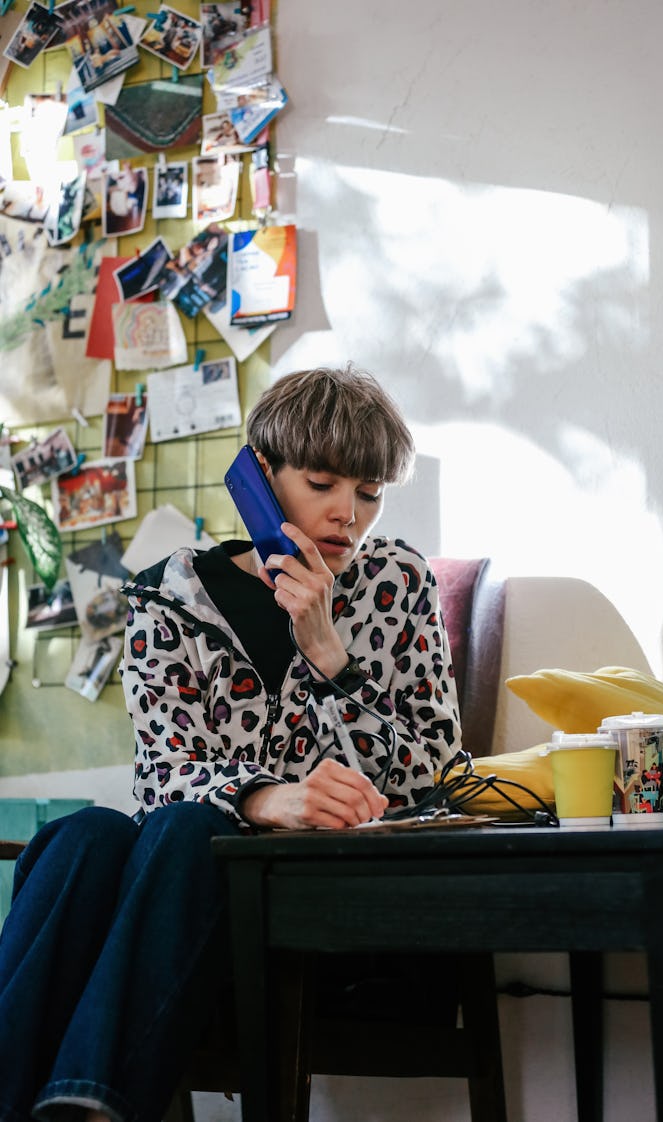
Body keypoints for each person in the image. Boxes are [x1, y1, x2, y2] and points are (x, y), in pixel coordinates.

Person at [0, 365, 461, 1122]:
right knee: (79, 837)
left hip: (328, 912)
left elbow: (437, 775)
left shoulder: (399, 586)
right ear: (259, 474)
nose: (349, 513)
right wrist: (266, 798)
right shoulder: (167, 596)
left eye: (370, 492)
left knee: (186, 829)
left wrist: (328, 655)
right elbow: (162, 776)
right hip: (181, 908)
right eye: (322, 483)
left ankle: (85, 1108)